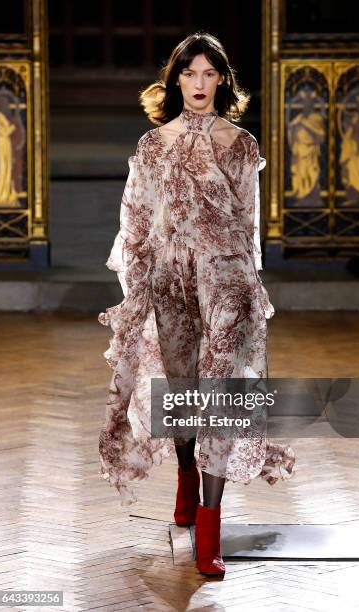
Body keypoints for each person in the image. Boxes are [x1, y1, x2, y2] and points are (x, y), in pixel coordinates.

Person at [98, 31, 296, 577]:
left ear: (223, 81)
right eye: (191, 73)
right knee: (184, 390)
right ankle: (186, 481)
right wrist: (136, 287)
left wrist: (250, 286)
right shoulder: (151, 146)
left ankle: (210, 525)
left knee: (221, 392)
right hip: (170, 279)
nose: (200, 84)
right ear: (176, 80)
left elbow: (247, 225)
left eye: (210, 74)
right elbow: (136, 223)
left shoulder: (241, 144)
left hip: (225, 278)